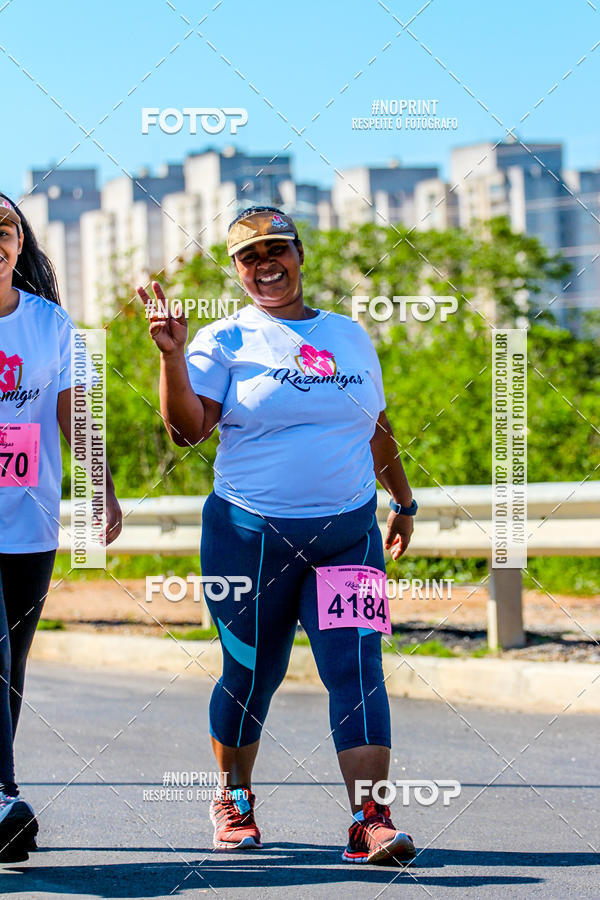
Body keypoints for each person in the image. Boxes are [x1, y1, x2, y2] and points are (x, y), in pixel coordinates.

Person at [139, 206, 418, 865]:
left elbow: (376, 427)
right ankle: (234, 798)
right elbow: (186, 431)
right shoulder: (223, 340)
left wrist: (403, 499)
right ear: (237, 270)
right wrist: (173, 358)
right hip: (248, 538)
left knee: (357, 670)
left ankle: (370, 819)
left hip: (348, 536)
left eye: (277, 249)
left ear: (299, 254)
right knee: (250, 672)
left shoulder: (349, 335)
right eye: (249, 256)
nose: (265, 264)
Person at [0, 193, 122, 862]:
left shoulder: (49, 324)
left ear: (20, 243)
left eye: (5, 230)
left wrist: (100, 490)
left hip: (31, 523)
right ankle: (2, 793)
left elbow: (78, 415)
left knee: (11, 665)